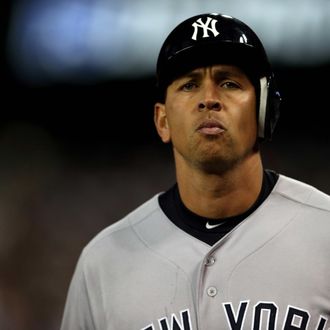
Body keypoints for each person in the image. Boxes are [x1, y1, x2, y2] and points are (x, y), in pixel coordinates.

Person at [60, 13, 330, 330]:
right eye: (189, 85)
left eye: (229, 83)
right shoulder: (102, 263)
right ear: (162, 121)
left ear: (265, 110)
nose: (209, 99)